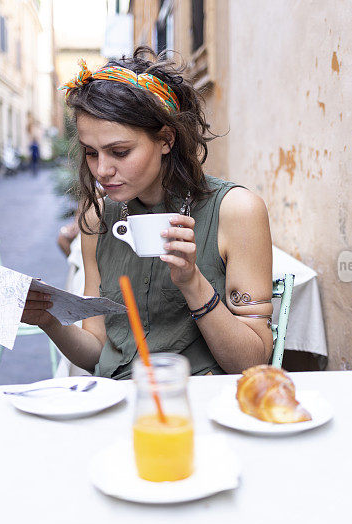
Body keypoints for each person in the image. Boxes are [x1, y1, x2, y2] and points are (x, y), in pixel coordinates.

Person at [22, 47, 274, 378]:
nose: (102, 170)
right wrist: (50, 321)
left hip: (193, 405)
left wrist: (192, 283)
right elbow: (98, 351)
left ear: (166, 139)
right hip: (117, 404)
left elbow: (252, 364)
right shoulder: (97, 218)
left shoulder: (236, 211)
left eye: (120, 151)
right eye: (91, 153)